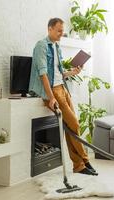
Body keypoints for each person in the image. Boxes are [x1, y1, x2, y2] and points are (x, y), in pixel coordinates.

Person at [29, 18, 98, 176]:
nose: (61, 34)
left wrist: (72, 73)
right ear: (50, 29)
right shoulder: (41, 46)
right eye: (59, 30)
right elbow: (43, 73)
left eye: (62, 30)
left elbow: (58, 73)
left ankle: (78, 166)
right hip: (53, 91)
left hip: (63, 88)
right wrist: (50, 96)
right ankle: (85, 160)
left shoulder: (57, 46)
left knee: (72, 127)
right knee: (73, 124)